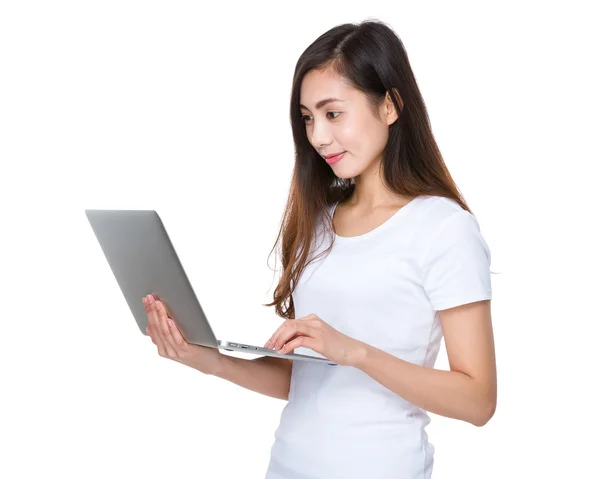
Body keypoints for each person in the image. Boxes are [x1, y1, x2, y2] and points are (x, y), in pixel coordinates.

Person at [142, 18, 497, 479]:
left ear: (389, 106)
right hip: (288, 467)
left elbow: (478, 400)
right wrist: (207, 359)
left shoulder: (444, 229)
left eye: (333, 113)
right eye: (308, 118)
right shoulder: (319, 223)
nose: (318, 137)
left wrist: (356, 352)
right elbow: (306, 381)